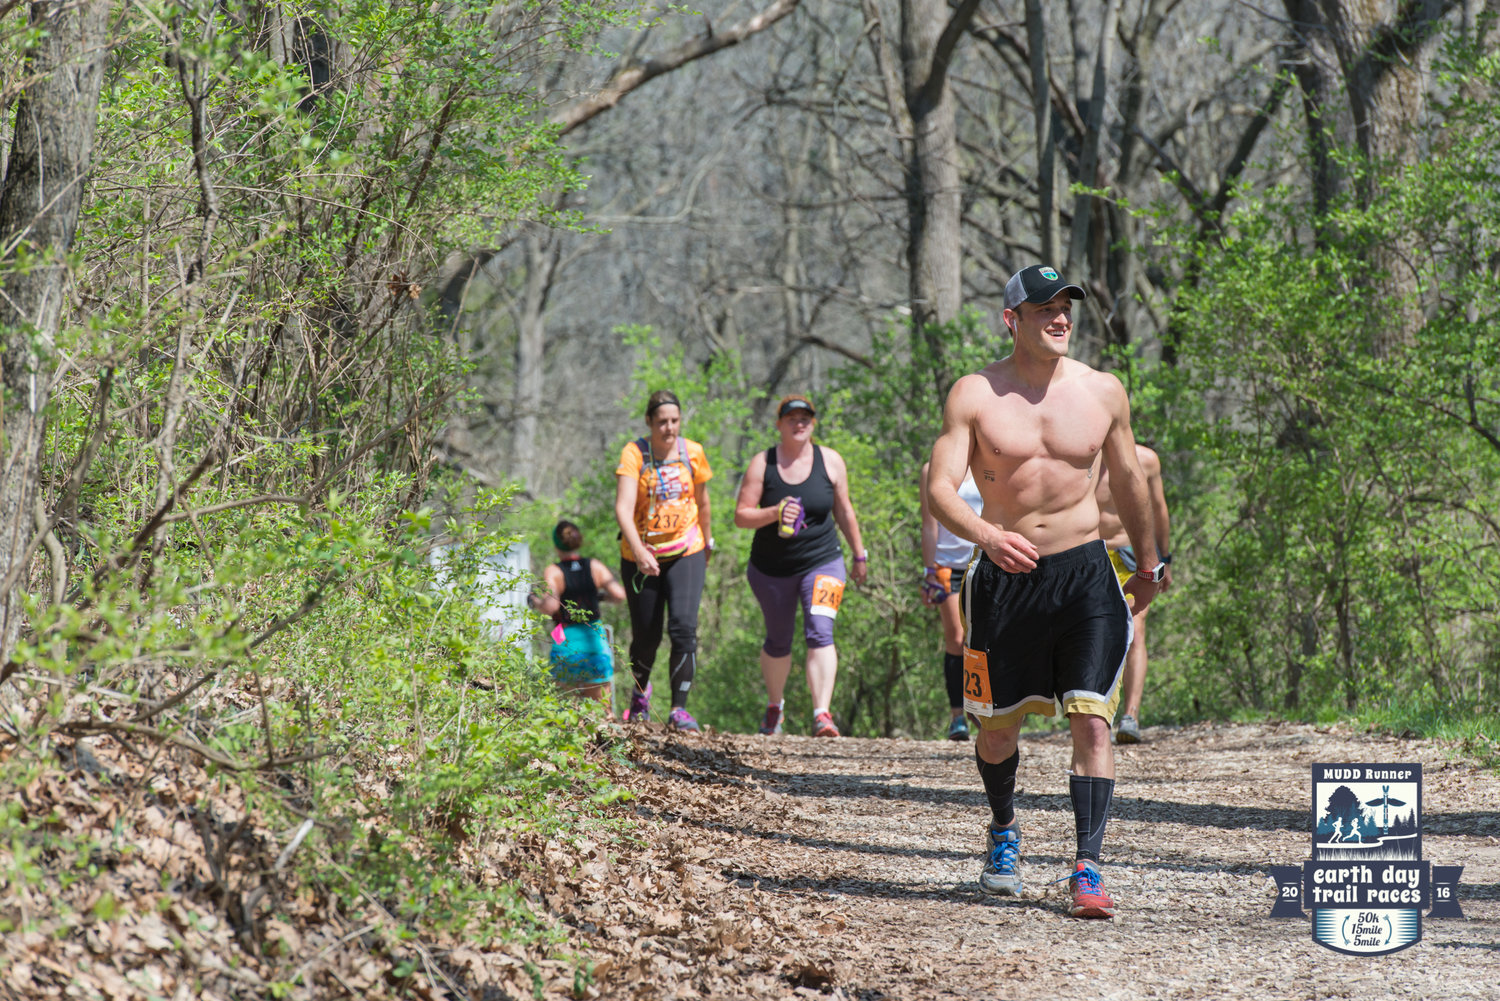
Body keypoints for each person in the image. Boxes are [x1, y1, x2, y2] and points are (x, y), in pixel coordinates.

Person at [927, 265, 1163, 920]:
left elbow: (1130, 480)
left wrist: (1149, 563)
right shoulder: (975, 394)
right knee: (997, 733)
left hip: (1086, 574)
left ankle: (1087, 864)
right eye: (1043, 309)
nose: (1059, 318)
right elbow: (940, 487)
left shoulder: (1103, 391)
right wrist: (984, 533)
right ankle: (1004, 827)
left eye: (1066, 307)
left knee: (1092, 719)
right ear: (1013, 320)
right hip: (1003, 581)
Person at [734, 395, 868, 738]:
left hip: (824, 561)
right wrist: (775, 512)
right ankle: (774, 707)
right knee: (778, 639)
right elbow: (741, 516)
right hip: (770, 569)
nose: (799, 423)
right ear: (779, 424)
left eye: (805, 417)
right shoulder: (762, 463)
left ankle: (822, 713)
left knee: (821, 630)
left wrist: (859, 554)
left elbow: (844, 510)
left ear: (813, 423)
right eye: (791, 417)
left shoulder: (831, 461)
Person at [614, 390, 714, 731]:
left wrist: (708, 541)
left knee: (684, 628)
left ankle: (678, 709)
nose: (669, 429)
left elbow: (703, 503)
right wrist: (640, 552)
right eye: (662, 422)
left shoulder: (693, 453)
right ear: (649, 422)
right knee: (646, 636)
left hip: (687, 549)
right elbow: (622, 509)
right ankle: (640, 697)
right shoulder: (634, 454)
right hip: (641, 555)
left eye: (674, 421)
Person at [1095, 444, 1173, 744]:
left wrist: (1164, 560)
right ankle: (1096, 713)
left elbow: (1159, 508)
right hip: (1091, 554)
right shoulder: (1077, 456)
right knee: (1093, 634)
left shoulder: (1146, 460)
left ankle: (1131, 715)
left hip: (1132, 555)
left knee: (1135, 632)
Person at [918, 460, 984, 741]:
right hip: (947, 565)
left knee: (982, 638)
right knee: (957, 638)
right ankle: (958, 717)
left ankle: (982, 708)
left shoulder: (990, 464)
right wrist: (929, 571)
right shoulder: (932, 468)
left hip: (984, 561)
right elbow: (929, 524)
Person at [530, 520, 627, 710]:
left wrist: (535, 602)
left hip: (566, 642)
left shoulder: (554, 571)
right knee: (602, 713)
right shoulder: (594, 566)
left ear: (556, 544)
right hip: (595, 641)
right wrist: (601, 597)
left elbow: (550, 607)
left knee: (563, 711)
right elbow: (619, 594)